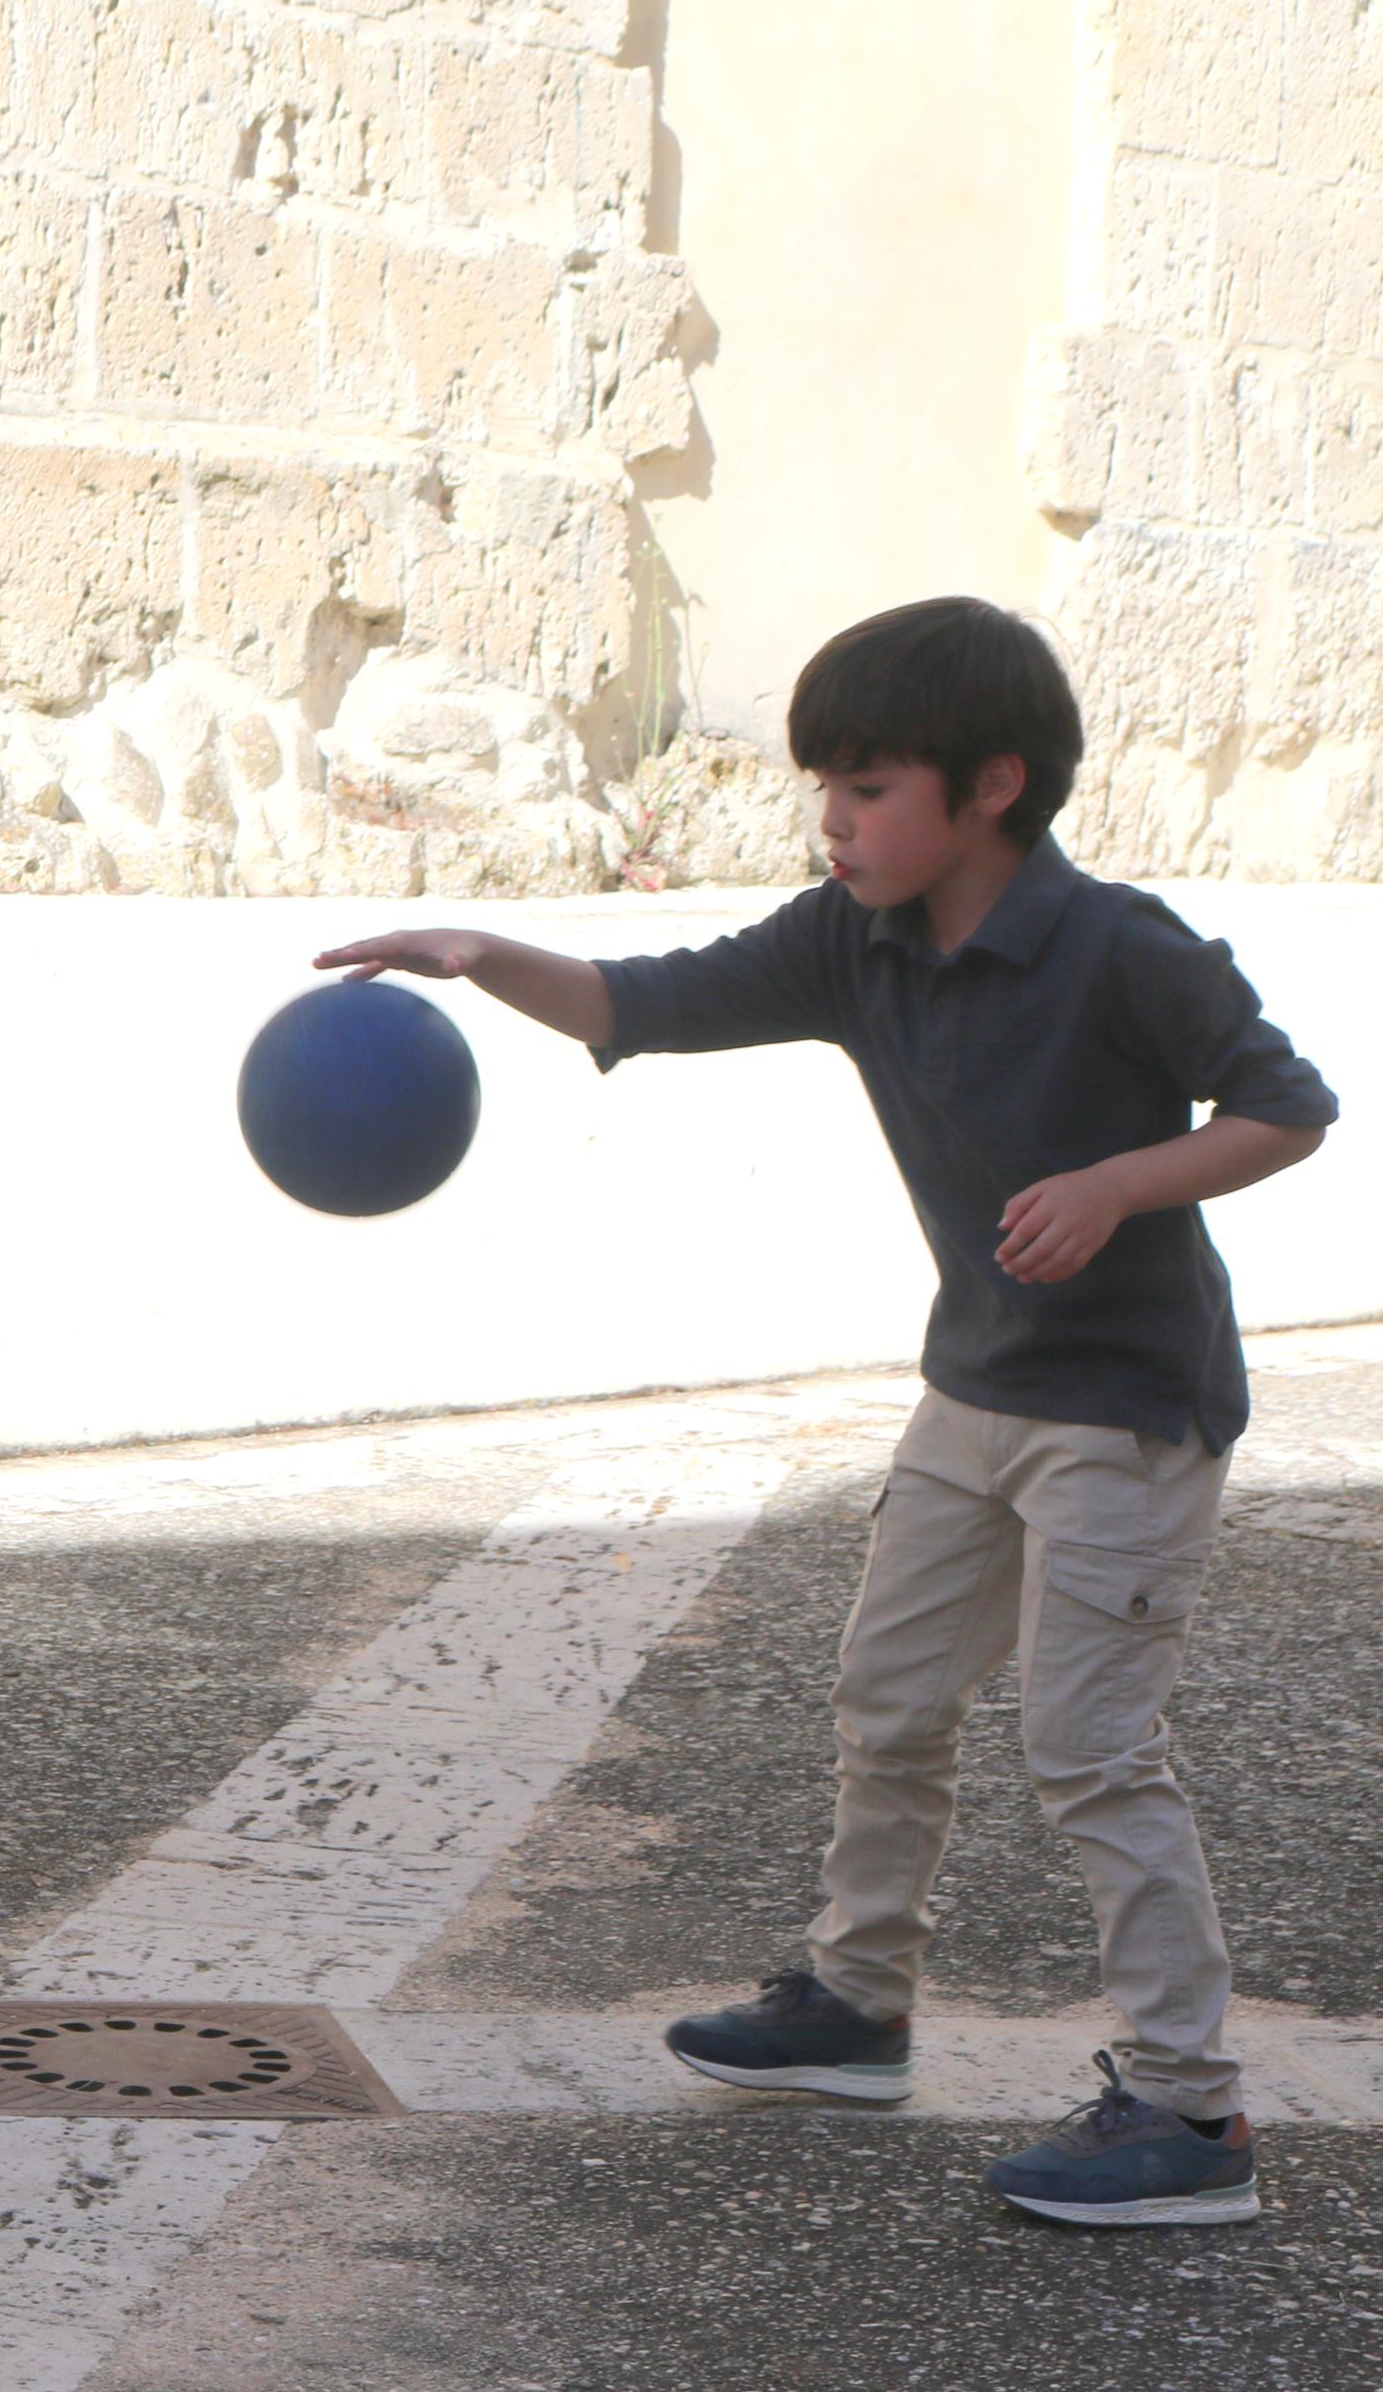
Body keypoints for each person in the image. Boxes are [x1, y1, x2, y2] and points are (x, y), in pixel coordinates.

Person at [322, 596, 1335, 2227]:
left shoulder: (1121, 947)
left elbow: (1289, 1105)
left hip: (1130, 1411)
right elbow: (639, 998)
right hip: (978, 1384)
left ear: (990, 786)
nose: (834, 821)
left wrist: (1117, 1184)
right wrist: (477, 952)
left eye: (867, 788)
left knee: (1088, 1748)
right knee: (887, 1697)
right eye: (829, 789)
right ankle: (858, 2009)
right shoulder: (851, 937)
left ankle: (1191, 2114)